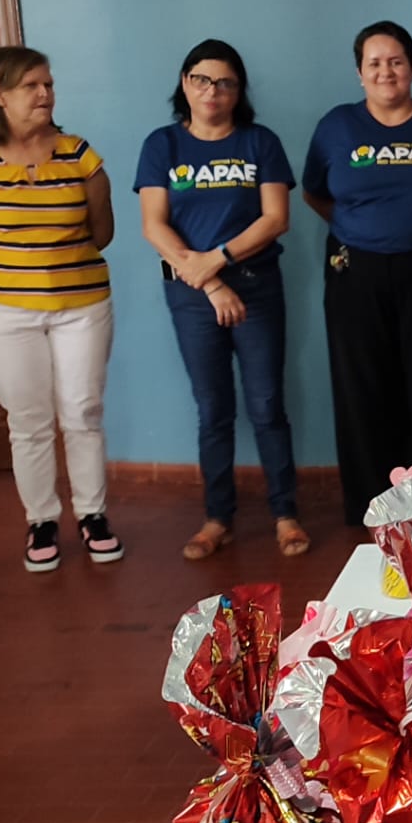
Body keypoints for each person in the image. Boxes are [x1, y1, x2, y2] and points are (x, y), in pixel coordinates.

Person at [0, 46, 124, 573]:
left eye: (48, 84)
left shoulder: (79, 154)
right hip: (2, 311)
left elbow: (102, 232)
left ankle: (93, 515)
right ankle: (42, 519)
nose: (45, 94)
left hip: (81, 304)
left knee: (83, 411)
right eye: (31, 86)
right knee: (30, 420)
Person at [302, 20, 412, 526]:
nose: (386, 71)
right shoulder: (336, 127)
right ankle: (374, 507)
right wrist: (367, 234)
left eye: (396, 61)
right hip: (355, 271)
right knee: (363, 388)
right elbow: (316, 193)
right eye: (375, 63)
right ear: (359, 72)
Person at [135, 39, 309, 560]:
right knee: (213, 409)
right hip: (191, 293)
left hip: (257, 285)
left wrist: (220, 259)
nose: (213, 91)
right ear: (185, 84)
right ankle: (218, 519)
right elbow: (153, 226)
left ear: (239, 92)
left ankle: (285, 514)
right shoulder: (162, 145)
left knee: (266, 405)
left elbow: (276, 218)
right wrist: (209, 279)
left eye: (225, 83)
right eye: (202, 80)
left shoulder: (260, 143)